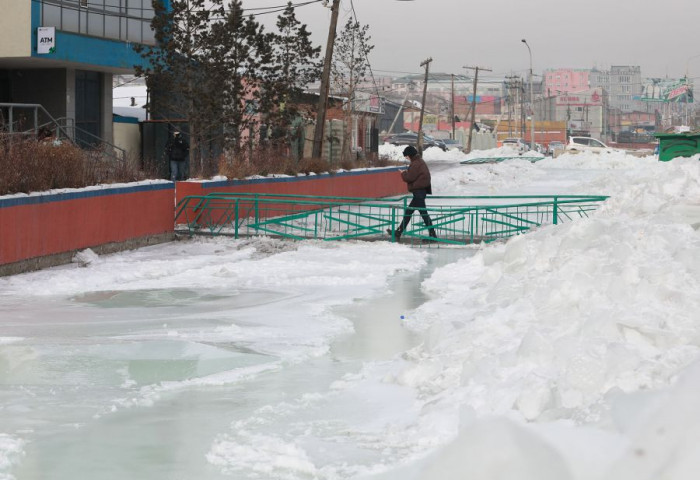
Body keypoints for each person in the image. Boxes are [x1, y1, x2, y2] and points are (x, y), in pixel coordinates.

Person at [387, 145, 437, 241]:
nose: (406, 158)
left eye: (406, 156)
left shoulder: (415, 164)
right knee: (409, 212)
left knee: (423, 214)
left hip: (419, 192)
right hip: (420, 192)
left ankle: (433, 236)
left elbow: (409, 178)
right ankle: (399, 232)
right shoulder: (419, 162)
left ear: (410, 155)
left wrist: (403, 173)